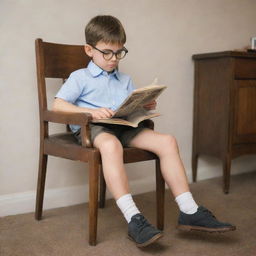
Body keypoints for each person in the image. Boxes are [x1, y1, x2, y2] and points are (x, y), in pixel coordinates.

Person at [52, 15, 236, 247]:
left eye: (119, 53)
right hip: (95, 128)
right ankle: (134, 218)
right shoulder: (80, 77)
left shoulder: (125, 79)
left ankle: (189, 210)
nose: (113, 59)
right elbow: (57, 105)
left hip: (124, 125)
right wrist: (89, 113)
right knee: (111, 145)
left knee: (168, 141)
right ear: (89, 50)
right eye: (107, 52)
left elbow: (128, 108)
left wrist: (144, 105)